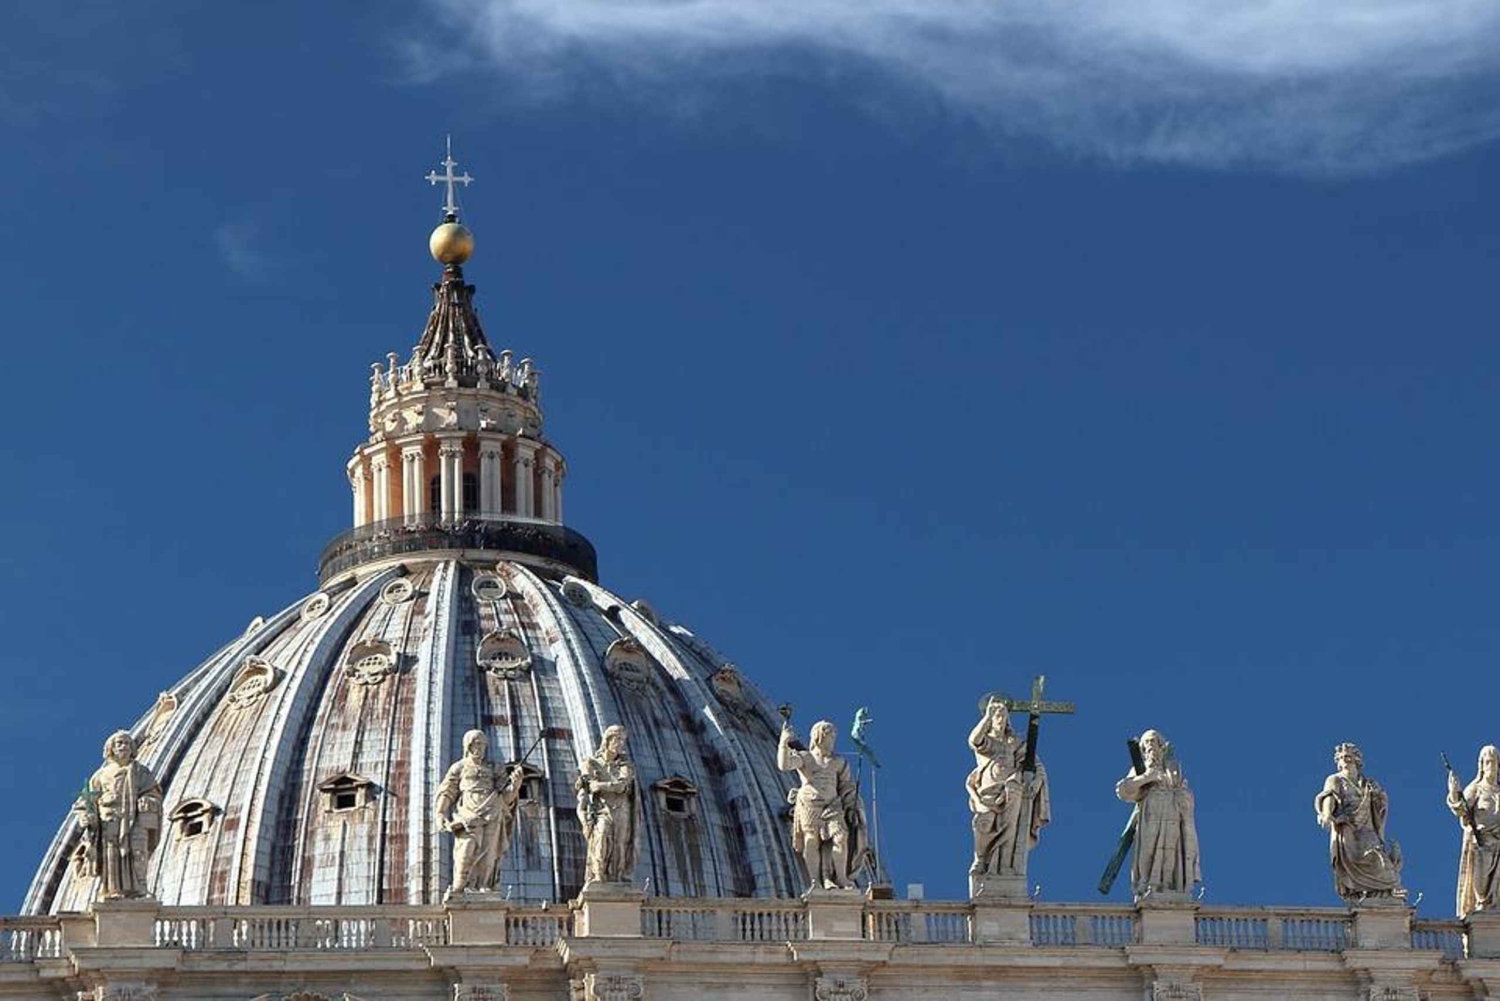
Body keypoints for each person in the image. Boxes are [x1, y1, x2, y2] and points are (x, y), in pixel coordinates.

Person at [435, 729, 526, 899]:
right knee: (466, 852)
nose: (481, 748)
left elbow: (505, 798)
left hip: (492, 811)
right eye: (477, 744)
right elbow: (448, 791)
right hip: (467, 814)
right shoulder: (459, 767)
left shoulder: (494, 768)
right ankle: (459, 888)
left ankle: (484, 887)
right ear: (468, 746)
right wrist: (440, 813)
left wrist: (515, 785)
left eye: (483, 744)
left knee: (489, 853)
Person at [967, 697, 1050, 879]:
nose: (1000, 717)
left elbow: (1037, 765)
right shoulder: (987, 741)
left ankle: (1005, 867)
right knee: (983, 823)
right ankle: (981, 861)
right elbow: (974, 740)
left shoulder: (1015, 743)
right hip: (987, 793)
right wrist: (987, 718)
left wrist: (1035, 782)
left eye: (1003, 714)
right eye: (996, 714)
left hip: (1012, 791)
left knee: (1010, 830)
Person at [779, 719, 864, 890]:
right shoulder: (805, 757)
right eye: (829, 737)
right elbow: (784, 764)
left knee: (841, 838)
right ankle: (815, 881)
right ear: (819, 737)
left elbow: (847, 786)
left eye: (833, 737)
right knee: (812, 840)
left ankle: (840, 878)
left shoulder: (839, 762)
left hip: (833, 806)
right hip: (809, 804)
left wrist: (852, 806)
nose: (832, 741)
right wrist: (783, 742)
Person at [77, 730, 163, 900]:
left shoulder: (140, 772)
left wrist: (148, 800)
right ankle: (113, 888)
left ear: (132, 748)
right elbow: (86, 800)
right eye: (119, 743)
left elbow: (153, 793)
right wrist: (87, 815)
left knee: (138, 852)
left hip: (134, 817)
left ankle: (141, 888)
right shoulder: (101, 775)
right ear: (111, 749)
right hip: (110, 817)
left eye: (126, 743)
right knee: (112, 854)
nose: (123, 747)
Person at [1115, 729, 1201, 901]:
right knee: (1148, 848)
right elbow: (1123, 790)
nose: (1149, 746)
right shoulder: (1140, 769)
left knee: (1171, 850)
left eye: (1153, 741)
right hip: (1150, 812)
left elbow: (1184, 792)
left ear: (1161, 746)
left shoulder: (1173, 770)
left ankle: (1171, 887)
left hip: (1172, 812)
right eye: (1146, 743)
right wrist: (1146, 778)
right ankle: (1146, 884)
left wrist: (1183, 797)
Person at [1314, 742, 1404, 902]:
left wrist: (1378, 798)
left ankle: (1383, 894)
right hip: (1347, 825)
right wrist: (1327, 814)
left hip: (1367, 827)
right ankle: (1364, 895)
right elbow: (1330, 797)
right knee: (1354, 859)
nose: (1344, 760)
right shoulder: (1335, 779)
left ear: (1357, 760)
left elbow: (1381, 804)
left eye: (1348, 756)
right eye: (1341, 758)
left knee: (1378, 858)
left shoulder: (1368, 782)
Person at [575, 725, 639, 885]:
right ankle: (598, 875)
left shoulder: (625, 765)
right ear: (608, 740)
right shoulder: (591, 763)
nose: (620, 744)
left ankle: (616, 878)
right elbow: (585, 783)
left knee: (619, 845)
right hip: (602, 811)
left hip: (621, 811)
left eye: (622, 740)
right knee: (601, 839)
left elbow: (622, 786)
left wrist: (600, 786)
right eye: (617, 739)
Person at [1449, 745, 1500, 917]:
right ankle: (1484, 908)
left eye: (1494, 762)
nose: (1491, 766)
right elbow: (1461, 809)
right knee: (1481, 885)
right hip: (1481, 844)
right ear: (1482, 765)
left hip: (1498, 844)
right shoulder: (1476, 788)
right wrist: (1454, 791)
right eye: (1488, 762)